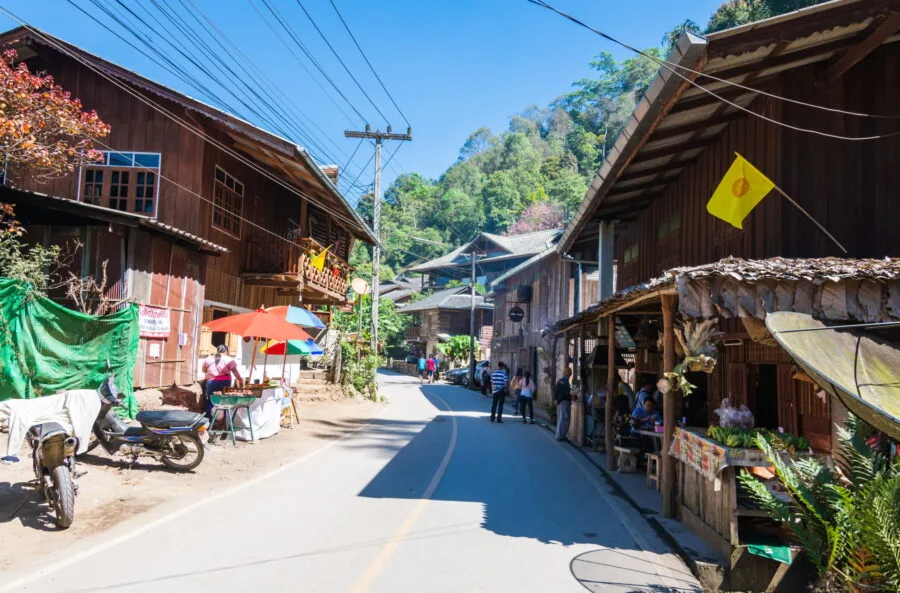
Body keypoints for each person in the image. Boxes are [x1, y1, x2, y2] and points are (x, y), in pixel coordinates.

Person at [202, 345, 243, 416]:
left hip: (211, 383)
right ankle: (223, 419)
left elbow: (204, 370)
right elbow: (235, 371)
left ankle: (208, 419)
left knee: (211, 400)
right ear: (226, 351)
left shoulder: (208, 359)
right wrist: (240, 380)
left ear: (217, 350)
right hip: (225, 382)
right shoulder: (229, 359)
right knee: (224, 401)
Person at [554, 367, 572, 441]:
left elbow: (556, 391)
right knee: (564, 419)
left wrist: (555, 399)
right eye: (570, 372)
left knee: (560, 419)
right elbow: (567, 393)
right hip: (564, 401)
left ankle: (559, 435)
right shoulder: (566, 382)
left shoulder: (560, 380)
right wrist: (572, 396)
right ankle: (560, 436)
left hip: (559, 402)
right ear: (569, 373)